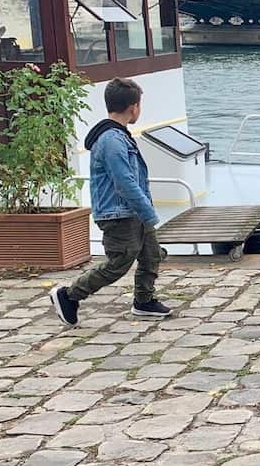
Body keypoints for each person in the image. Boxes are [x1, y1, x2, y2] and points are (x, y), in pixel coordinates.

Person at [51, 78, 171, 327]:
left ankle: (144, 301)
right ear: (134, 107)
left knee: (151, 255)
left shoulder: (119, 136)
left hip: (134, 211)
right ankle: (69, 295)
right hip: (119, 214)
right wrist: (149, 213)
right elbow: (123, 181)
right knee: (119, 263)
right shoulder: (112, 140)